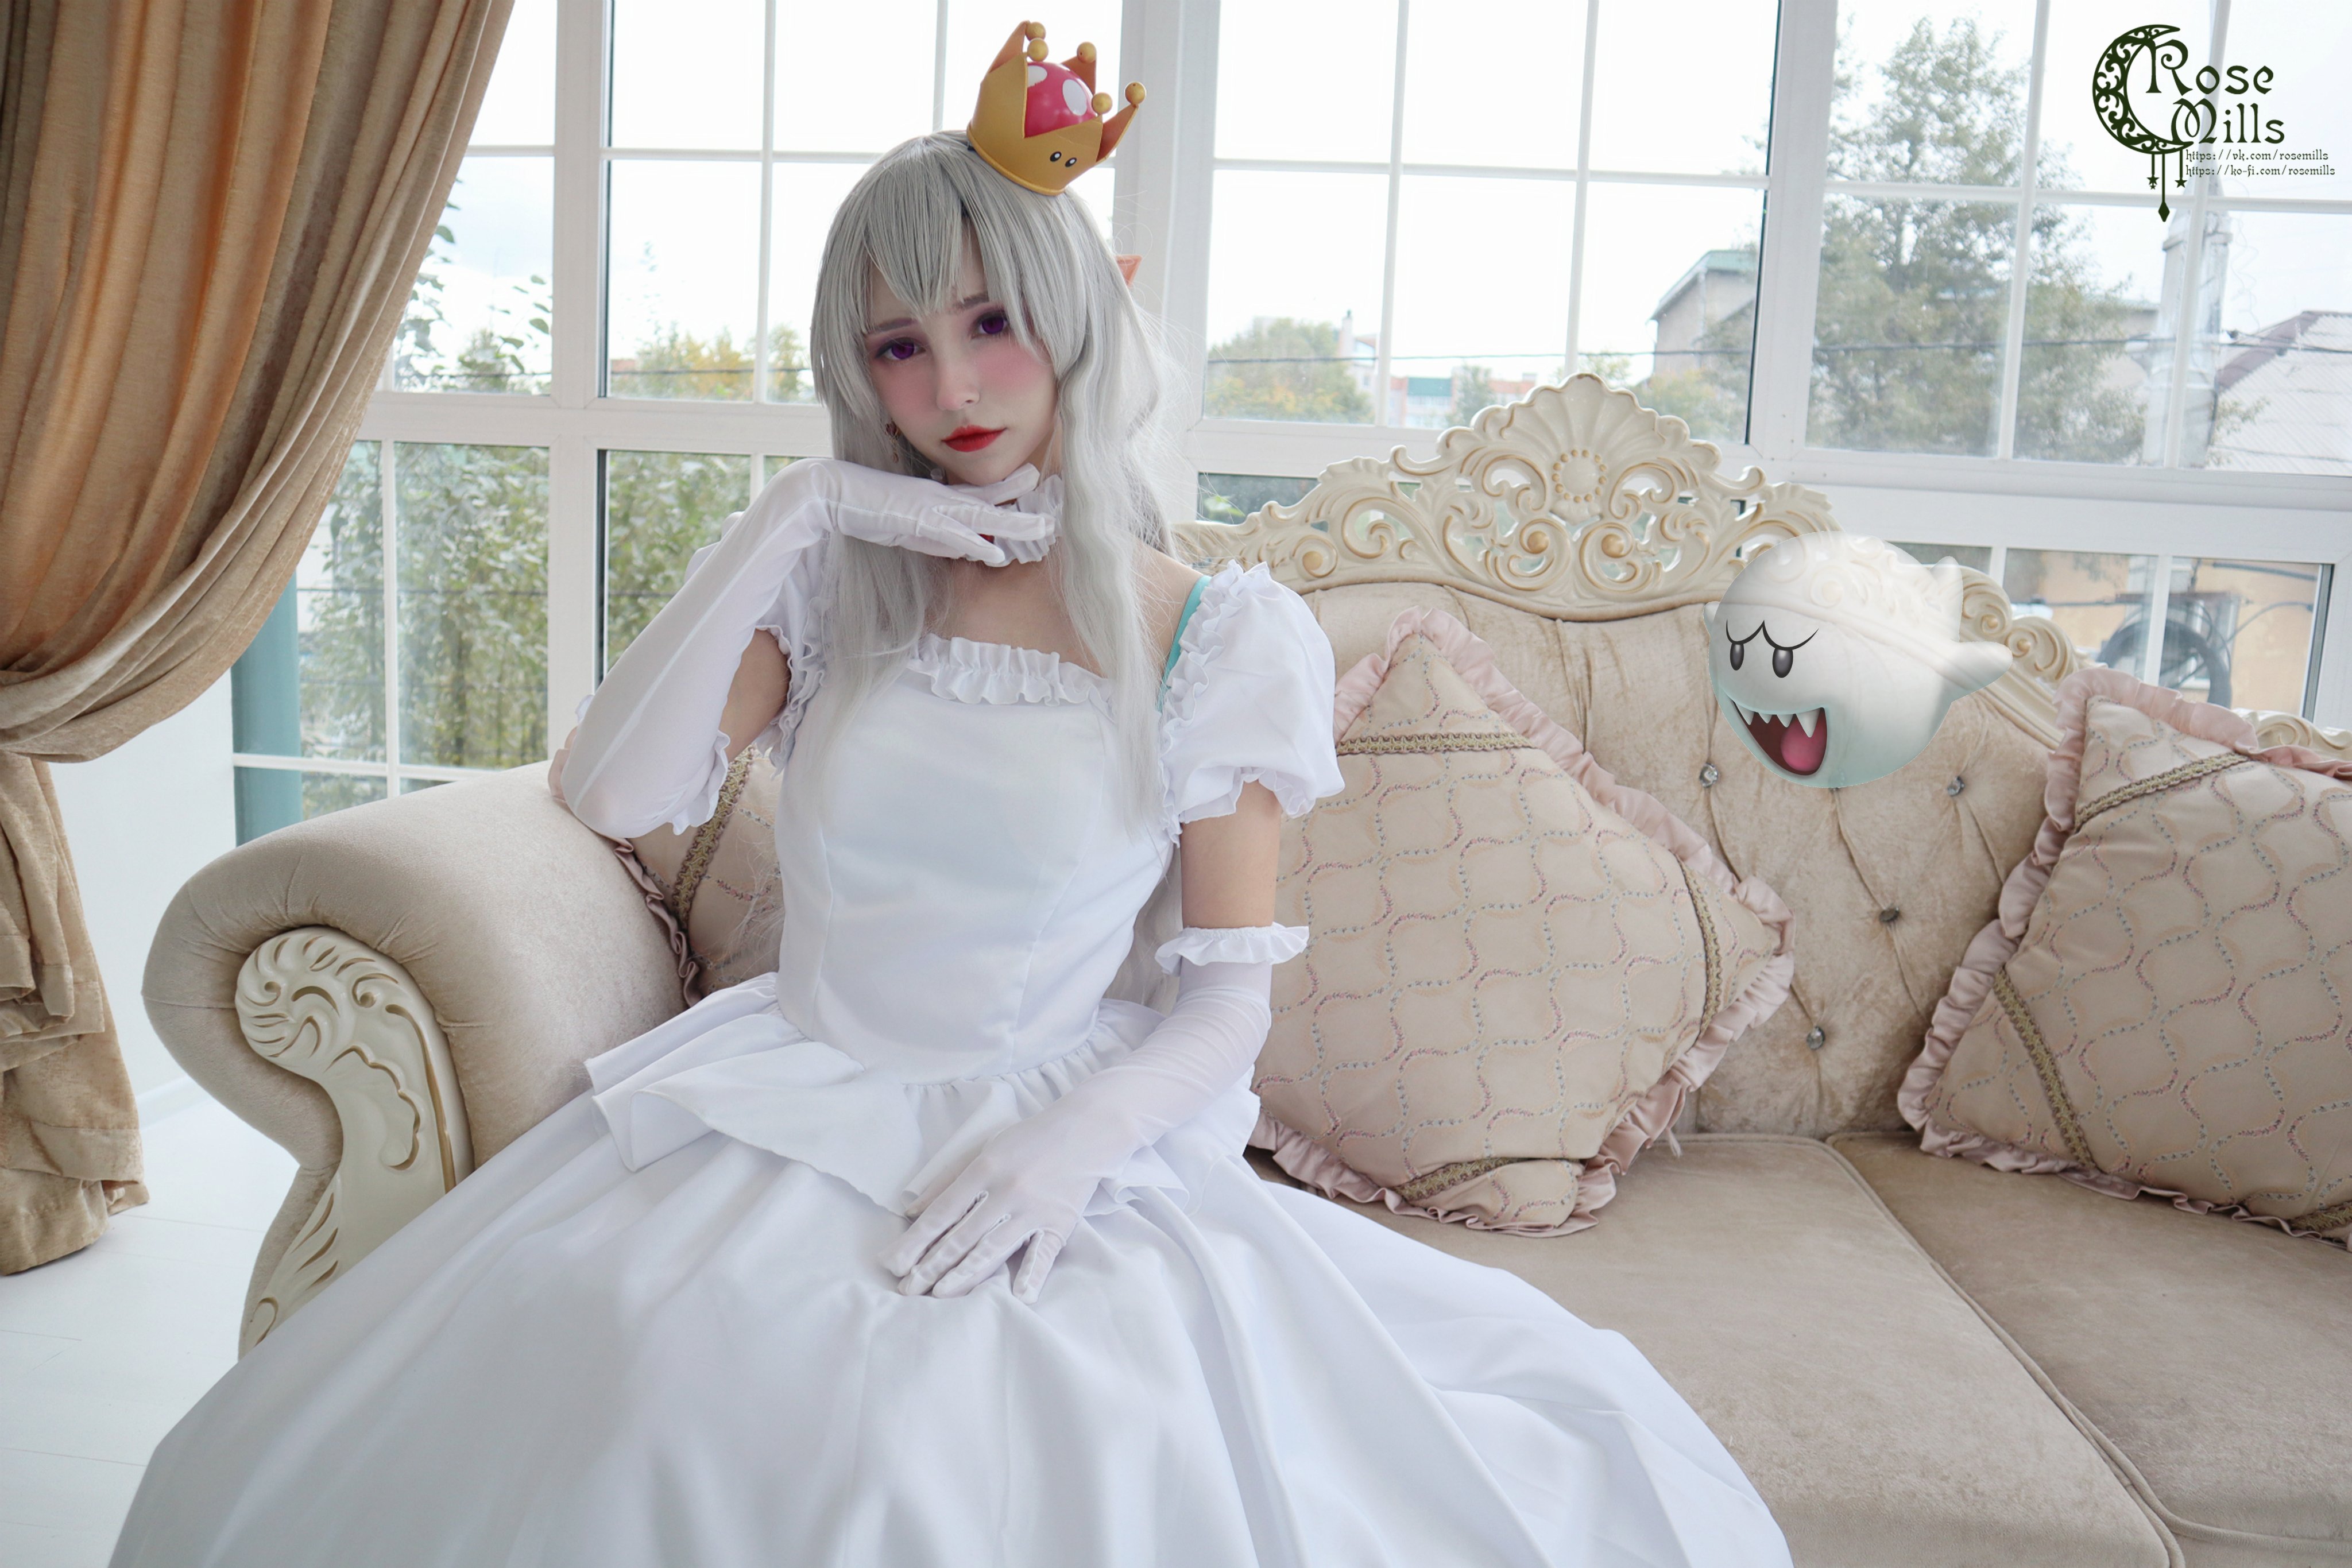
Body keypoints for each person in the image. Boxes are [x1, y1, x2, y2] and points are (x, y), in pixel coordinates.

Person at [112, 37, 1790, 1566]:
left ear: (1074, 320)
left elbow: (1225, 1008)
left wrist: (1070, 1148)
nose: (952, 388)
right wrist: (795, 514)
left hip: (1049, 1132)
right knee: (635, 1382)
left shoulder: (1213, 634)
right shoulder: (838, 587)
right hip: (790, 1094)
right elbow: (609, 789)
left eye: (991, 323)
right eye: (897, 348)